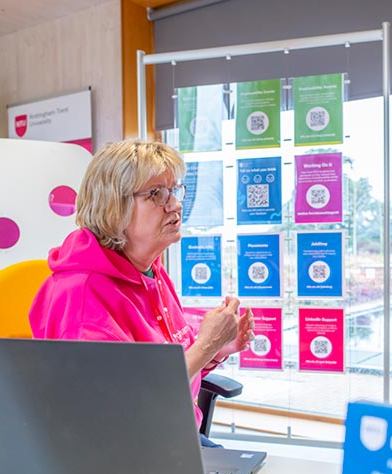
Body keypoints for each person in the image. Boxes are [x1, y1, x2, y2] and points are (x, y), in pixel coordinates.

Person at [29, 139, 253, 447]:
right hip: (125, 455)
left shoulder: (150, 269)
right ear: (113, 205)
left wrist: (216, 350)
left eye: (174, 191)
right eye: (156, 194)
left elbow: (168, 364)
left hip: (171, 435)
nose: (175, 204)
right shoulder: (81, 297)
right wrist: (205, 345)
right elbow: (120, 412)